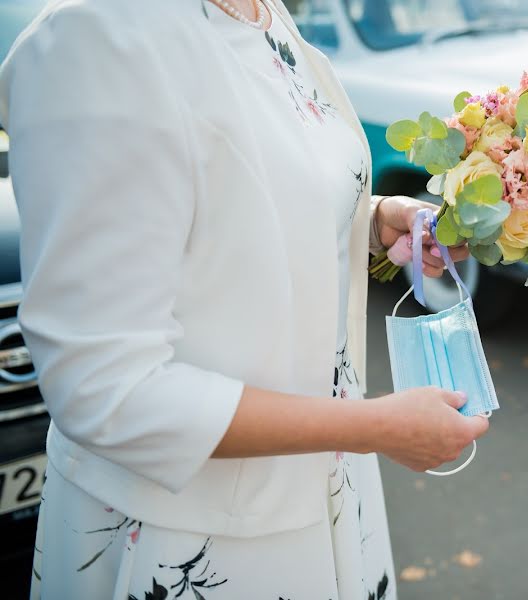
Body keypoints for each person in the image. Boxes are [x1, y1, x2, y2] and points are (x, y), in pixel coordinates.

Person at [0, 0, 490, 598]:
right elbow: (106, 388)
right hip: (190, 536)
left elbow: (234, 209)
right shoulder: (96, 38)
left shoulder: (263, 13)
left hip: (328, 484)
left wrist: (371, 221)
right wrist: (374, 427)